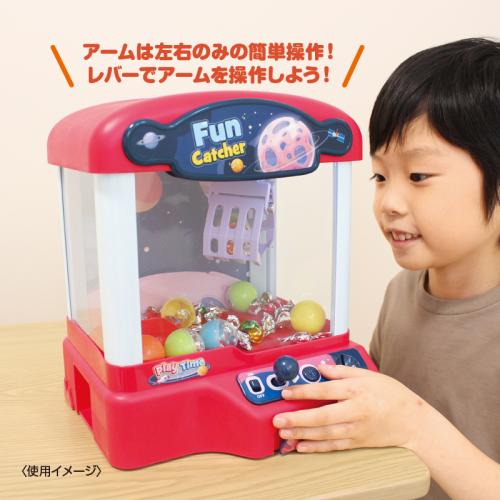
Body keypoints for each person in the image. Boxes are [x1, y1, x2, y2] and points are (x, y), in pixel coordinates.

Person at [272, 38, 500, 500]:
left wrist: (416, 425)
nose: (389, 202)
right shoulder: (401, 292)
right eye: (380, 176)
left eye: (418, 176)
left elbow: (407, 423)